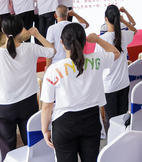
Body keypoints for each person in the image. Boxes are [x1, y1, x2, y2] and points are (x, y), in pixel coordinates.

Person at [41, 23, 121, 162]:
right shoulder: (97, 59)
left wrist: (45, 130)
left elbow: (47, 105)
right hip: (91, 120)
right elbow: (116, 53)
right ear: (85, 41)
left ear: (62, 42)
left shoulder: (53, 69)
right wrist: (98, 40)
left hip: (64, 124)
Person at [0, 16, 55, 160]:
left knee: (7, 151)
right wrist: (37, 34)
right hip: (28, 103)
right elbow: (52, 51)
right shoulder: (30, 48)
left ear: (3, 30)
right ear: (21, 31)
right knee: (32, 146)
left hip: (3, 107)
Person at [94, 5, 137, 121]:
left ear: (106, 19)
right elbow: (134, 30)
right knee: (122, 120)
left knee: (112, 121)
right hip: (124, 83)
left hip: (109, 86)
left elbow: (98, 65)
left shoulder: (101, 41)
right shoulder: (124, 35)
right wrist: (123, 20)